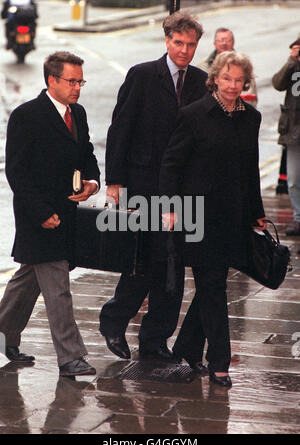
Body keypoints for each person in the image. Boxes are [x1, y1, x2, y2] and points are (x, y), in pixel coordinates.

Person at [99, 11, 208, 361]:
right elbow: (120, 129)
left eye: (191, 45)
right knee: (142, 261)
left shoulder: (202, 81)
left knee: (173, 267)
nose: (184, 51)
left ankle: (155, 340)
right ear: (167, 40)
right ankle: (114, 319)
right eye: (179, 43)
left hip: (182, 192)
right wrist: (114, 181)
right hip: (142, 185)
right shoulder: (142, 75)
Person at [159, 51, 266, 387]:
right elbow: (171, 164)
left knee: (210, 285)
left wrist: (257, 213)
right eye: (226, 79)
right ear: (215, 79)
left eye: (238, 80)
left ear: (245, 81)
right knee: (214, 286)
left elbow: (251, 169)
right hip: (198, 217)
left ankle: (188, 347)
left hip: (233, 217)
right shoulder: (193, 115)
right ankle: (219, 361)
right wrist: (169, 207)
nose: (233, 86)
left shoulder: (252, 118)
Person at [0, 51, 100, 377]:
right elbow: (16, 172)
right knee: (57, 287)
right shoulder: (26, 116)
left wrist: (92, 181)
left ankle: (2, 337)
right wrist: (40, 212)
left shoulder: (78, 114)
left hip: (66, 215)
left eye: (80, 81)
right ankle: (70, 357)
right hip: (38, 217)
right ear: (51, 80)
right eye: (72, 81)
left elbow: (85, 153)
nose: (77, 87)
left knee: (27, 282)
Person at [272, 37, 300, 235]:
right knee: (293, 179)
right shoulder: (294, 65)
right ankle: (298, 218)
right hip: (294, 131)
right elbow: (278, 83)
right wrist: (291, 60)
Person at [199, 27, 258, 107]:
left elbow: (250, 97)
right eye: (220, 41)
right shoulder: (203, 66)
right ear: (215, 44)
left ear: (233, 42)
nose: (224, 43)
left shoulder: (244, 65)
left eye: (227, 40)